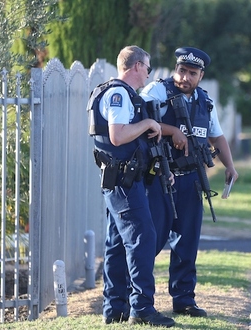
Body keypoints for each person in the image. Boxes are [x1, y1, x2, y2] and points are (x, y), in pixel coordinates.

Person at [140, 47, 239, 317]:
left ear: (201, 75)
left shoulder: (205, 102)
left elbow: (216, 137)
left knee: (187, 242)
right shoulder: (157, 92)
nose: (184, 77)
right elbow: (140, 121)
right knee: (152, 240)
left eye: (191, 73)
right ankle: (140, 300)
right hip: (159, 177)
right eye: (181, 71)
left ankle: (184, 299)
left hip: (192, 180)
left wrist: (230, 166)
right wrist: (171, 131)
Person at [87, 45, 175, 327]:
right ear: (136, 66)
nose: (149, 74)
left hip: (124, 180)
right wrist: (148, 122)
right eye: (147, 68)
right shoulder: (118, 93)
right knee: (142, 238)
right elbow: (117, 135)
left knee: (115, 243)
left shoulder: (123, 95)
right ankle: (142, 309)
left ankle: (114, 309)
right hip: (123, 183)